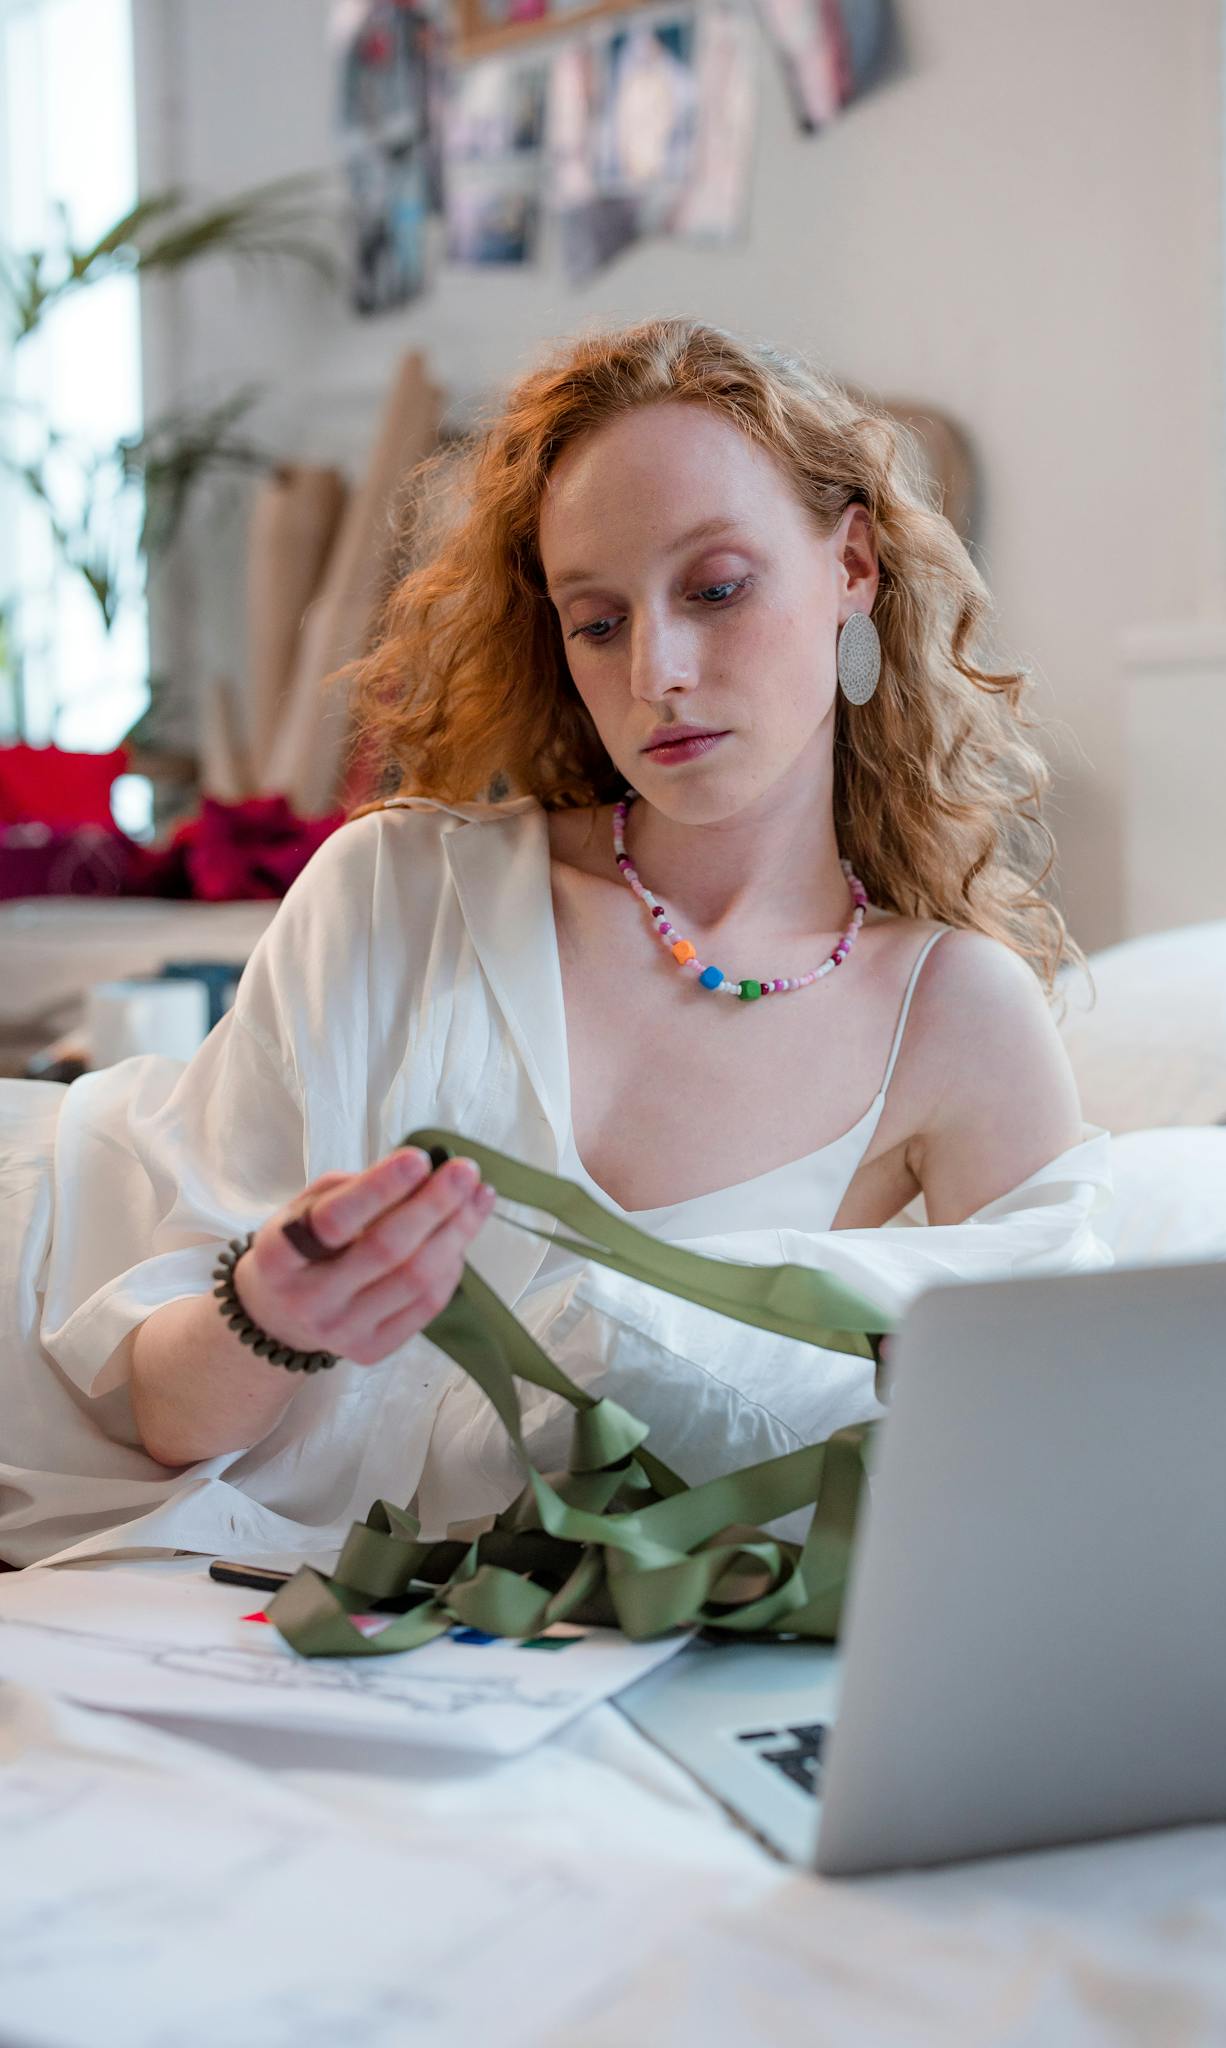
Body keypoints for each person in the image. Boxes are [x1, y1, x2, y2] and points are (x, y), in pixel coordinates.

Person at [0, 318, 1113, 1570]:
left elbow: (1060, 1469)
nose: (659, 671)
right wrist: (273, 1314)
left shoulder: (955, 1012)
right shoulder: (395, 896)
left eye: (716, 587)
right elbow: (166, 1417)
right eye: (597, 620)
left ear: (852, 562)